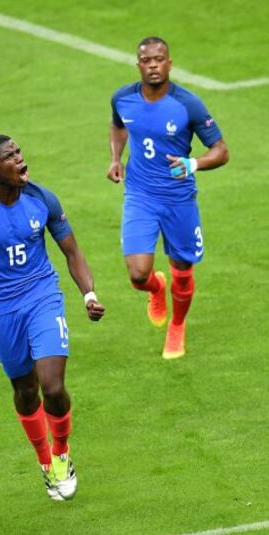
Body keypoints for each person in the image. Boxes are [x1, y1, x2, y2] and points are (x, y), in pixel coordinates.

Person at [0, 134, 105, 501]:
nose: (20, 160)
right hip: (2, 310)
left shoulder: (41, 198)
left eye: (19, 152)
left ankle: (62, 454)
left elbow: (72, 251)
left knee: (52, 385)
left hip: (43, 297)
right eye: (9, 157)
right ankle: (44, 460)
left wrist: (89, 294)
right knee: (25, 389)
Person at [107, 36, 229, 359]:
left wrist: (193, 164)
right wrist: (116, 158)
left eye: (159, 59)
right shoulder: (123, 98)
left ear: (169, 63)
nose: (153, 65)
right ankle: (156, 289)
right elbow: (118, 126)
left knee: (183, 267)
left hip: (178, 199)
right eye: (147, 61)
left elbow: (221, 150)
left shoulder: (188, 104)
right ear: (138, 65)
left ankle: (177, 325)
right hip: (140, 196)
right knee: (137, 275)